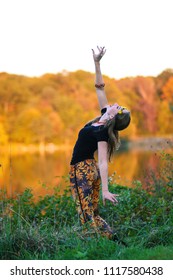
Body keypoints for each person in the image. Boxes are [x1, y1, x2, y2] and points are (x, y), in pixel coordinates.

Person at [69, 46, 131, 240]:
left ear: (115, 116)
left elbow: (103, 161)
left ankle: (94, 247)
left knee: (86, 214)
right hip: (89, 169)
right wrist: (97, 62)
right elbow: (99, 87)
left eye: (118, 108)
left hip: (82, 170)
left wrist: (105, 189)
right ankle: (113, 241)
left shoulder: (102, 130)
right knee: (91, 213)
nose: (115, 104)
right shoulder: (103, 119)